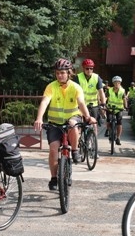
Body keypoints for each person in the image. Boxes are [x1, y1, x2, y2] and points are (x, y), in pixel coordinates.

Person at [34, 58, 96, 190]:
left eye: (62, 73)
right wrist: (39, 118)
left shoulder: (75, 87)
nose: (60, 75)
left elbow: (80, 103)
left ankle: (75, 150)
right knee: (53, 149)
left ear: (69, 73)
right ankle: (54, 178)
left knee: (73, 123)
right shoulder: (51, 86)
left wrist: (88, 117)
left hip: (73, 117)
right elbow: (45, 102)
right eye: (57, 73)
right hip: (54, 123)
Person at [72, 58, 106, 133]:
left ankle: (94, 141)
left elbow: (101, 92)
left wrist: (103, 104)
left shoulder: (97, 78)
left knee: (94, 124)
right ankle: (79, 140)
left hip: (93, 105)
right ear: (83, 68)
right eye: (87, 68)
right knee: (80, 124)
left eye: (91, 68)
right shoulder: (78, 77)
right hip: (80, 105)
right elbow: (74, 92)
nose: (89, 70)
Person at [105, 76, 127, 145]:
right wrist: (104, 105)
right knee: (108, 120)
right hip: (110, 108)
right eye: (115, 83)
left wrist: (125, 107)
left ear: (120, 83)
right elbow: (106, 98)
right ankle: (109, 130)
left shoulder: (122, 91)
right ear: (113, 83)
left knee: (119, 122)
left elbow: (124, 99)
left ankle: (118, 138)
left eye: (118, 83)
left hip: (119, 109)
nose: (117, 84)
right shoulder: (109, 90)